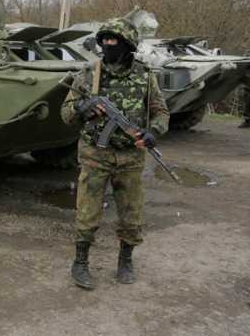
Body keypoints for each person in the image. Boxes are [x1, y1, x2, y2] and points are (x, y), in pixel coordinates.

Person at [60, 18, 170, 290]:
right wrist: (82, 108)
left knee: (131, 215)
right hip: (95, 154)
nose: (108, 45)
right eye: (105, 40)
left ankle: (126, 261)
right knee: (88, 212)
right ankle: (80, 262)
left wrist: (153, 132)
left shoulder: (145, 75)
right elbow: (66, 114)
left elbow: (161, 111)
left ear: (128, 44)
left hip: (131, 157)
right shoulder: (89, 73)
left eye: (114, 40)